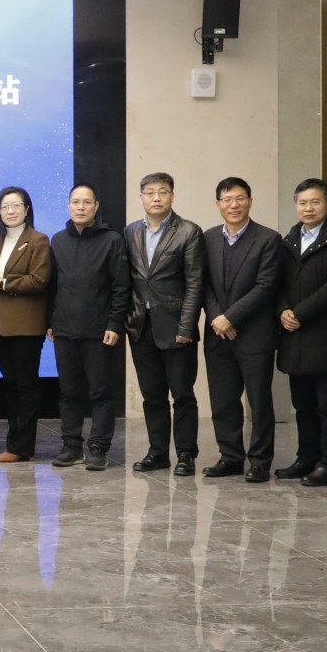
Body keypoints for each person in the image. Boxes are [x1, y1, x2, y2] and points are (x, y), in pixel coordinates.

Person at [200, 177, 283, 482]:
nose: (233, 205)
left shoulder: (268, 239)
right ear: (218, 204)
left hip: (255, 333)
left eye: (239, 198)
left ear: (250, 200)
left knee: (259, 401)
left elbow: (266, 286)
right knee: (223, 400)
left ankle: (260, 461)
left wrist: (231, 318)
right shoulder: (208, 238)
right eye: (227, 199)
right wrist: (217, 318)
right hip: (217, 333)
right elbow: (203, 284)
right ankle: (230, 457)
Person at [122, 172, 205, 475]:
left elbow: (195, 283)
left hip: (176, 326)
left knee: (182, 394)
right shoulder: (130, 232)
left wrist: (186, 327)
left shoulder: (188, 231)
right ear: (141, 197)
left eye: (163, 192)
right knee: (152, 395)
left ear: (172, 196)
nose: (156, 198)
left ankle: (186, 454)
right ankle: (157, 452)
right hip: (140, 326)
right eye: (150, 192)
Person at [276, 178, 327, 485]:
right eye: (302, 203)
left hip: (325, 333)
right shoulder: (291, 238)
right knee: (303, 404)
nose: (308, 208)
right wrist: (283, 309)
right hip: (294, 334)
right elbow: (278, 282)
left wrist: (299, 313)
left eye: (315, 202)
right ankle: (306, 458)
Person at [47, 183, 129, 471]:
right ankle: (71, 446)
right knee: (69, 392)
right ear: (68, 206)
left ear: (96, 206)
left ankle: (98, 448)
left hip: (99, 331)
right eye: (75, 202)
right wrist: (50, 322)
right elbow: (52, 286)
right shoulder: (58, 240)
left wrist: (114, 324)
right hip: (64, 329)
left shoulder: (112, 240)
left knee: (100, 392)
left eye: (86, 202)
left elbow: (121, 287)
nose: (80, 207)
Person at [0, 186, 51, 464]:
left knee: (25, 385)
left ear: (26, 209)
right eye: (4, 207)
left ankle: (21, 446)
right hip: (0, 327)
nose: (10, 211)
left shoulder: (38, 240)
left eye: (15, 206)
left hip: (26, 326)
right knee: (10, 384)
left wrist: (4, 283)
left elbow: (39, 280)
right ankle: (16, 443)